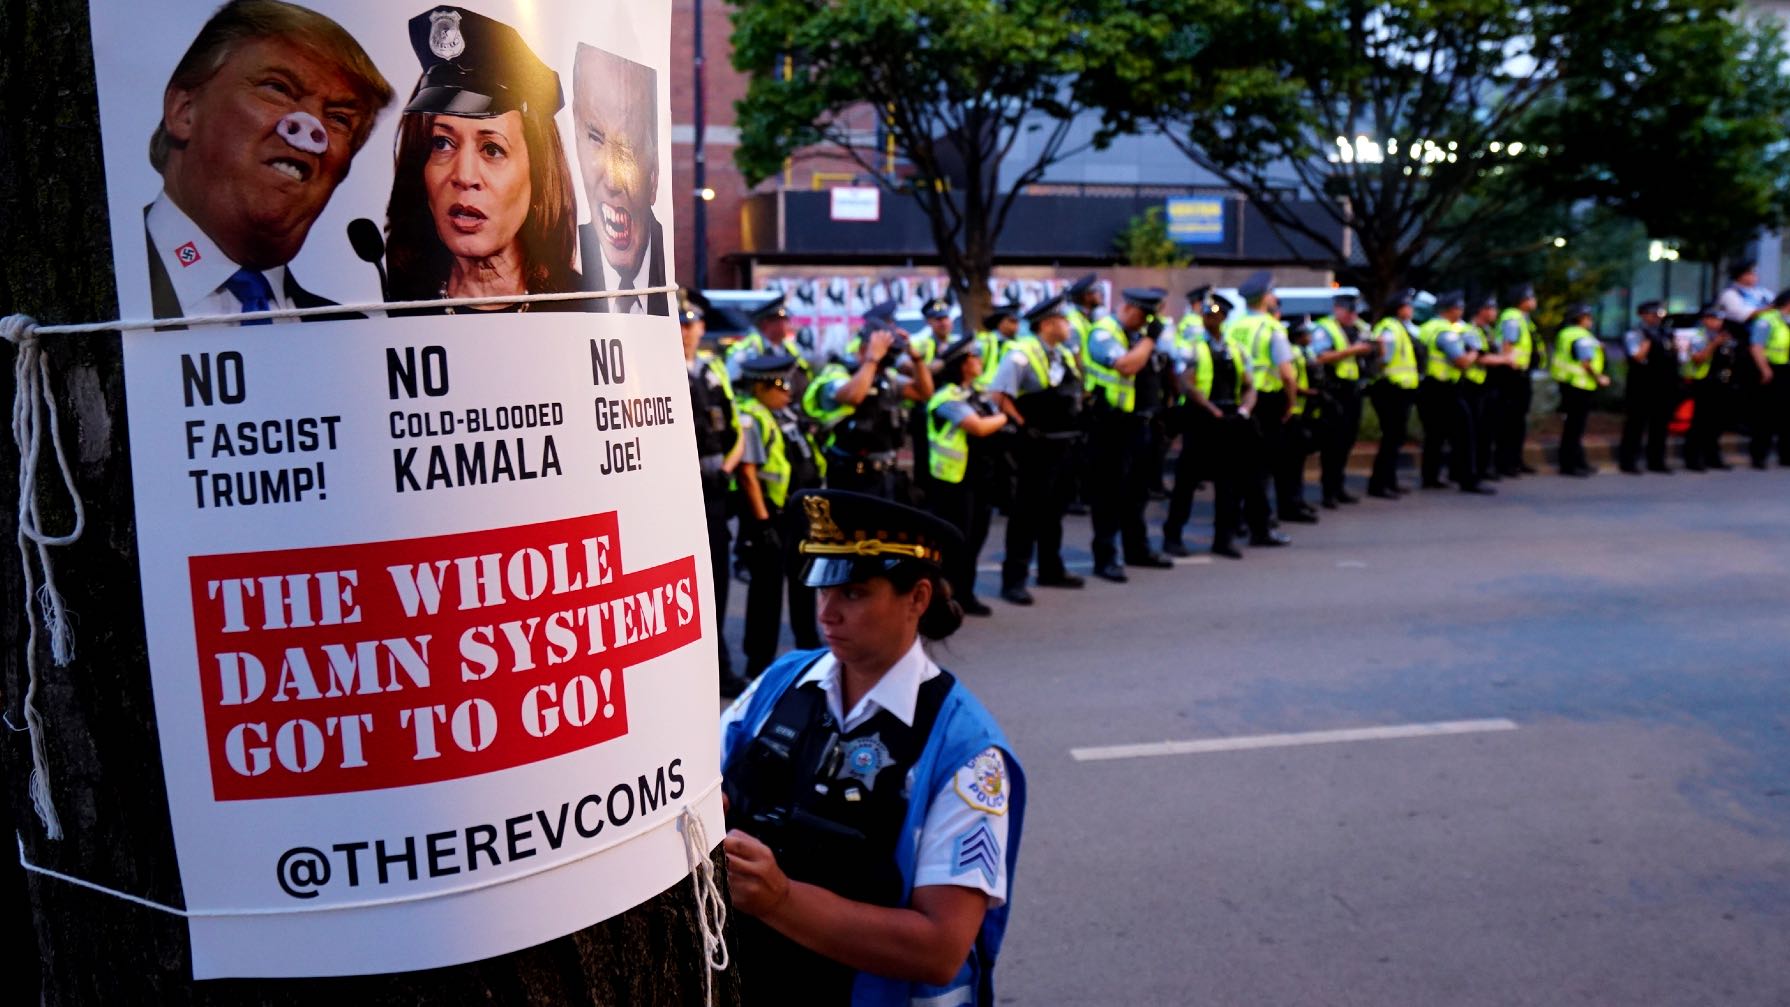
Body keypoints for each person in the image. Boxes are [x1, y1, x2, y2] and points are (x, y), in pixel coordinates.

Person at [721, 490, 1025, 1006]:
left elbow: (940, 947)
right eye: (822, 590)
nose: (827, 613)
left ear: (918, 598)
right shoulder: (782, 681)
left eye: (854, 593)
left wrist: (781, 900)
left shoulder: (967, 752)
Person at [145, 0, 394, 322]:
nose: (310, 132)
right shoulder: (108, 274)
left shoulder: (356, 331)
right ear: (184, 111)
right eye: (277, 88)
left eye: (339, 119)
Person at [385, 6, 579, 310]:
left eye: (492, 149)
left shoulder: (581, 306)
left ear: (539, 174)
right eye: (442, 143)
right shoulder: (393, 302)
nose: (464, 175)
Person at [734, 352, 826, 685]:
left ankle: (808, 647)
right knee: (766, 591)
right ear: (760, 387)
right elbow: (748, 473)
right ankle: (758, 663)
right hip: (770, 516)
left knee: (804, 582)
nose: (788, 390)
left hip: (799, 513)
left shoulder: (784, 413)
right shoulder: (751, 416)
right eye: (779, 384)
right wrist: (761, 521)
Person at [989, 294, 1086, 605]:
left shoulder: (1063, 354)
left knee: (1055, 510)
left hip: (1062, 443)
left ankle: (1051, 568)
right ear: (1047, 324)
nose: (1069, 325)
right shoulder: (1020, 353)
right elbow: (998, 394)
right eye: (1063, 320)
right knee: (1026, 514)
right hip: (1035, 445)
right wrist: (1022, 425)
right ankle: (1014, 580)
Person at [1173, 293, 1283, 557]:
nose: (1211, 319)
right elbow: (1186, 383)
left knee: (1229, 485)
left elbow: (1249, 385)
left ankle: (1224, 538)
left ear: (1223, 318)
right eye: (1207, 314)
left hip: (1230, 421)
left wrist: (1244, 409)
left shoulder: (1235, 349)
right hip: (1201, 419)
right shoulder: (1193, 347)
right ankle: (1173, 536)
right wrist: (1211, 409)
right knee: (1186, 482)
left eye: (1216, 314)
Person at [1083, 287, 1175, 581]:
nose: (1145, 323)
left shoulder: (1137, 337)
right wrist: (1150, 339)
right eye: (1144, 316)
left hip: (1139, 424)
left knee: (1137, 493)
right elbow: (1125, 366)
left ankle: (1137, 549)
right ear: (1130, 309)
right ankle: (1106, 558)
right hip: (1109, 426)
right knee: (1109, 494)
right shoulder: (1103, 333)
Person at [572, 44, 668, 314]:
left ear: (654, 173)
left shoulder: (670, 272)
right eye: (595, 138)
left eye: (626, 149)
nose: (612, 182)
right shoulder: (554, 270)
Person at [805, 303, 934, 499]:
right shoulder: (837, 374)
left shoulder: (884, 377)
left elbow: (924, 392)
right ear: (864, 348)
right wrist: (872, 359)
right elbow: (854, 396)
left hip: (887, 475)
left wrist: (916, 358)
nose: (887, 361)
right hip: (851, 477)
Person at [681, 299, 744, 691]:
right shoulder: (661, 366)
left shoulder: (713, 370)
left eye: (694, 323)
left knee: (718, 579)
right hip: (685, 490)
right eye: (681, 324)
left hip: (717, 485)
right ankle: (695, 670)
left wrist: (728, 467)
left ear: (704, 327)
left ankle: (719, 667)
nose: (688, 331)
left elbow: (736, 428)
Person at [925, 338, 1009, 617]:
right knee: (954, 542)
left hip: (979, 477)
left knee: (975, 537)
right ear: (962, 365)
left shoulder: (975, 393)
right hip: (953, 481)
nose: (978, 360)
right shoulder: (947, 398)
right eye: (973, 357)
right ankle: (941, 600)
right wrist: (1004, 418)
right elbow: (978, 427)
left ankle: (965, 594)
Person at [1225, 272, 1312, 521]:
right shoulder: (1271, 327)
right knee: (1263, 465)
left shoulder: (1234, 325)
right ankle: (1260, 522)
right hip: (1267, 402)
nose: (1274, 298)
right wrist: (1291, 404)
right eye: (1272, 293)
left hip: (1241, 400)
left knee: (1241, 463)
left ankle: (1237, 520)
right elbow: (1287, 374)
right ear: (1265, 298)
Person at [1416, 291, 1492, 493]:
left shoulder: (1426, 328)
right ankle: (1468, 479)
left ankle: (1430, 477)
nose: (1461, 312)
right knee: (1465, 434)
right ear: (1451, 310)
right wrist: (1474, 351)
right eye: (1459, 308)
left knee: (1435, 435)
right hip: (1445, 388)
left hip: (1427, 387)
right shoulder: (1445, 331)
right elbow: (1461, 362)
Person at [1309, 294, 1376, 507]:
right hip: (1333, 391)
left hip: (1353, 390)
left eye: (1355, 312)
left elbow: (1372, 348)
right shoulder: (1324, 328)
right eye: (1349, 311)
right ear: (1337, 309)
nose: (1352, 316)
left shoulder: (1359, 326)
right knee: (1333, 443)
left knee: (1347, 441)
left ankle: (1338, 486)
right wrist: (1353, 350)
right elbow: (1320, 356)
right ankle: (1328, 490)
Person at [1366, 291, 1421, 498]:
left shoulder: (1399, 327)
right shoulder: (1389, 328)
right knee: (1391, 438)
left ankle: (1389, 481)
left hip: (1400, 389)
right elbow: (1384, 358)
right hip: (1389, 389)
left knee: (1396, 438)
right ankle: (1379, 485)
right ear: (1399, 308)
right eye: (1408, 305)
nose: (1411, 309)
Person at [1618, 300, 1680, 474]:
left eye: (1659, 314)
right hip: (1641, 386)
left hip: (1664, 386)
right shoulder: (1635, 333)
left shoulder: (1665, 333)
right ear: (1643, 315)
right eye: (1653, 314)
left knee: (1660, 425)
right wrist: (1648, 341)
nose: (1656, 318)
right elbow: (1636, 357)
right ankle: (1629, 461)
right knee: (1635, 425)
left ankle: (1657, 460)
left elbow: (1676, 356)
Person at [1551, 304, 1610, 476]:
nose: (1591, 320)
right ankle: (1570, 465)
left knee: (1573, 426)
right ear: (1580, 318)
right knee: (1575, 427)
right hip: (1579, 385)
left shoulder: (1566, 333)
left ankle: (1577, 461)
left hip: (1570, 384)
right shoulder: (1579, 334)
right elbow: (1586, 361)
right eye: (1588, 317)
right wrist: (1600, 377)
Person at [1463, 296, 1513, 484]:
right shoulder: (1471, 331)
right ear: (1480, 310)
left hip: (1489, 386)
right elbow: (1480, 358)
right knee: (1477, 430)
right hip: (1474, 386)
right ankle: (1474, 471)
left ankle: (1484, 467)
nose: (1495, 312)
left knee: (1488, 429)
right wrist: (1505, 360)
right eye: (1491, 308)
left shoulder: (1488, 331)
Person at [1494, 284, 1542, 476]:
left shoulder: (1524, 319)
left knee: (1518, 420)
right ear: (1522, 299)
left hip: (1521, 375)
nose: (1534, 300)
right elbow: (1508, 344)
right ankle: (1505, 462)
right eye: (1531, 297)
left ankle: (1516, 460)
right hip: (1511, 376)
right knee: (1510, 420)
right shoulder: (1512, 318)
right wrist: (1509, 362)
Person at [1683, 304, 1737, 471]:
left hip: (1722, 383)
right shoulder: (1699, 337)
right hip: (1704, 383)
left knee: (1717, 421)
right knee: (1701, 422)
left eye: (1719, 319)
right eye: (1713, 319)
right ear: (1705, 319)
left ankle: (1712, 456)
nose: (1717, 323)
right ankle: (1693, 458)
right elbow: (1698, 358)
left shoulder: (1724, 336)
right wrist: (1715, 344)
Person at [728, 295, 813, 400]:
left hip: (789, 408)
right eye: (782, 319)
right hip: (758, 410)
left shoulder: (789, 348)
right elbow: (732, 386)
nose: (788, 323)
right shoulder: (747, 349)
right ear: (766, 323)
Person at [1746, 290, 1790, 469]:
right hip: (1771, 370)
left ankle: (1785, 455)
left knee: (1787, 416)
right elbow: (1756, 347)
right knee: (1765, 415)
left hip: (1787, 370)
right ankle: (1759, 455)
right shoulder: (1767, 320)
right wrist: (1765, 370)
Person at [973, 305, 1020, 392]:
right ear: (1000, 323)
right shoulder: (984, 341)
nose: (1016, 325)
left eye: (1017, 322)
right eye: (1012, 321)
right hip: (985, 391)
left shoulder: (1020, 343)